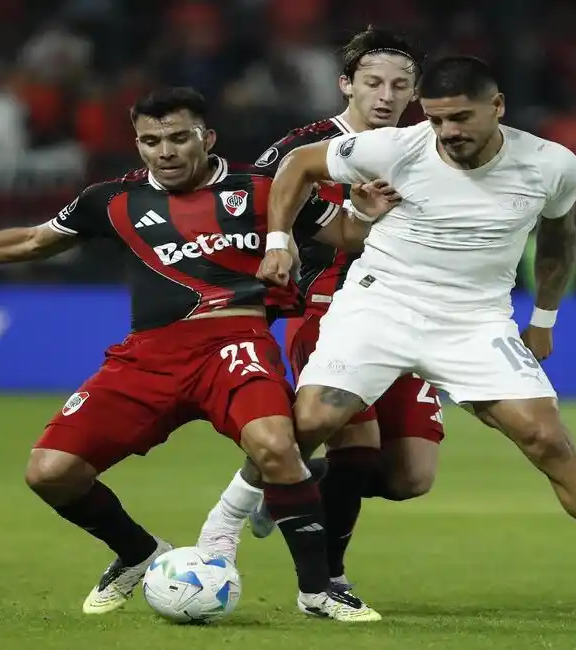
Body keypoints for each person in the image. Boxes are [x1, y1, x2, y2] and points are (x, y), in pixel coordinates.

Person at [0, 87, 391, 622]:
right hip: (149, 356)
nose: (165, 152)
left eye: (178, 138)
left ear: (207, 137)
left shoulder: (266, 189)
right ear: (138, 143)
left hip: (235, 343)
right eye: (151, 141)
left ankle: (317, 590)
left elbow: (343, 236)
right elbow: (32, 242)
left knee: (275, 445)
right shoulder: (110, 200)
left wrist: (366, 217)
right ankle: (139, 554)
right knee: (50, 472)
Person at [257, 56, 576, 607]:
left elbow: (561, 241)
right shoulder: (398, 147)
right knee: (314, 423)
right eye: (437, 119)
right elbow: (299, 163)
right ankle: (219, 541)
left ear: (497, 107)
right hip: (381, 307)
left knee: (542, 440)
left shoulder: (552, 164)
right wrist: (281, 241)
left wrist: (543, 319)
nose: (447, 133)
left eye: (460, 119)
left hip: (474, 321)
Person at [196, 28, 444, 592]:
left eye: (400, 86)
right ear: (346, 85)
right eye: (373, 82)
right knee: (353, 447)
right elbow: (246, 216)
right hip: (329, 312)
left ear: (415, 93)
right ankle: (327, 577)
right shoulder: (300, 150)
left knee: (409, 478)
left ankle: (288, 483)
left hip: (410, 315)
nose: (386, 95)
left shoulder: (425, 149)